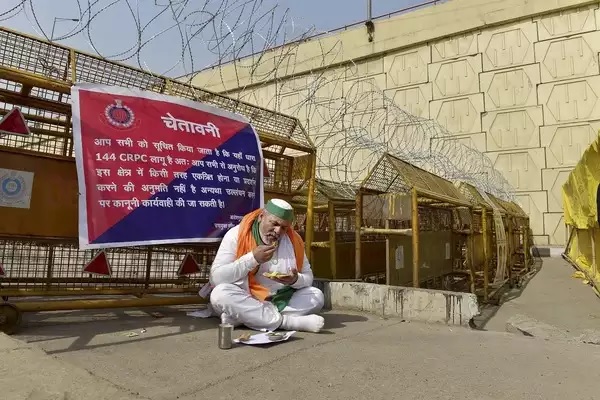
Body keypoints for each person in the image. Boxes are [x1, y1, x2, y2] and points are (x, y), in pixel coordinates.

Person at [209, 198, 325, 333]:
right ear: (261, 217)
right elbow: (216, 278)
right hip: (246, 296)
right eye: (274, 224)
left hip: (280, 299)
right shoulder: (236, 234)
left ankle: (245, 317)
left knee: (316, 296)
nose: (278, 231)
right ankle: (288, 322)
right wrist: (252, 259)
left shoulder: (294, 240)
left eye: (284, 227)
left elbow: (308, 277)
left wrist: (295, 279)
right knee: (219, 294)